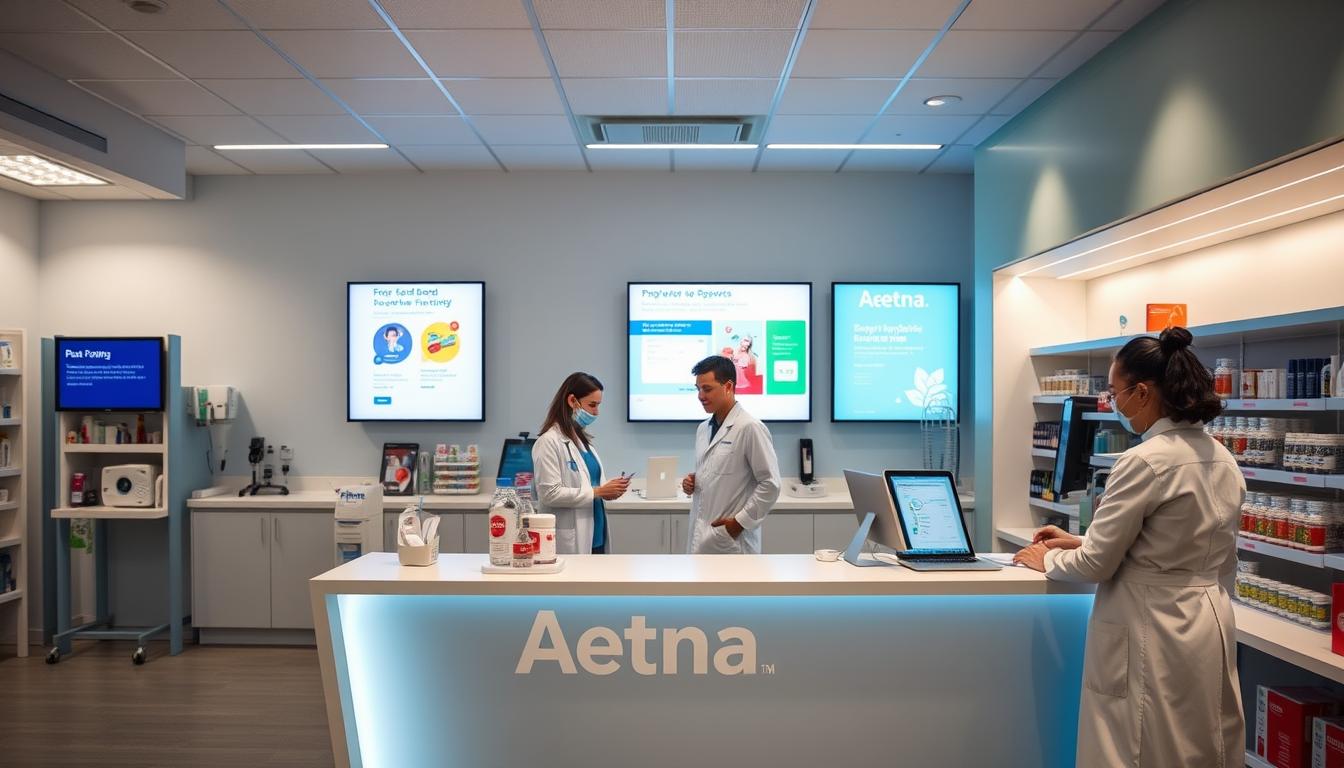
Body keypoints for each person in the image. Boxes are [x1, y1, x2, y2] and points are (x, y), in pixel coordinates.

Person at [1013, 327, 1243, 767]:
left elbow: (1096, 564)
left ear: (1142, 392)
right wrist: (1081, 538)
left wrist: (1051, 559)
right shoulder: (1219, 455)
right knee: (1200, 743)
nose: (1112, 402)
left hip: (1151, 624)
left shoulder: (1144, 461)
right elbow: (1177, 542)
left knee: (1138, 746)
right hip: (1206, 618)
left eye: (1115, 392)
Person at [681, 355, 780, 554]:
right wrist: (693, 481)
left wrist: (739, 523)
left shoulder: (749, 427)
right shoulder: (703, 429)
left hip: (732, 541)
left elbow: (771, 483)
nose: (700, 395)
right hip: (701, 534)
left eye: (707, 389)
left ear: (728, 386)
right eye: (698, 389)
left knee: (734, 585)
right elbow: (717, 471)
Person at [532, 372, 629, 554]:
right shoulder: (548, 442)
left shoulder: (582, 441)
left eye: (598, 405)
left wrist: (609, 490)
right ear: (572, 401)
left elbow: (589, 485)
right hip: (570, 540)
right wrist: (598, 492)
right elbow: (549, 494)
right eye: (592, 405)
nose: (596, 412)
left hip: (596, 534)